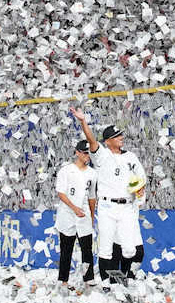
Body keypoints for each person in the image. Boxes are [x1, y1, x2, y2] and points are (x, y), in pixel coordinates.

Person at [70, 107, 147, 284]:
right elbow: (91, 140)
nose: (121, 138)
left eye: (121, 135)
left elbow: (140, 178)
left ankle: (124, 279)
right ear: (108, 141)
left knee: (130, 250)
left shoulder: (131, 157)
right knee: (106, 249)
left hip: (127, 207)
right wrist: (83, 121)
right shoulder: (102, 156)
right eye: (117, 136)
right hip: (107, 207)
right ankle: (108, 283)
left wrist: (140, 189)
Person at [54, 140, 97, 290]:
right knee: (66, 248)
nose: (87, 156)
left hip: (84, 214)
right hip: (67, 214)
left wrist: (92, 215)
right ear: (77, 153)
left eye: (89, 153)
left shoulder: (92, 173)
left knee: (87, 249)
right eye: (85, 153)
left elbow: (92, 196)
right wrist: (74, 208)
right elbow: (61, 193)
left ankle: (88, 279)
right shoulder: (66, 171)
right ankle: (63, 280)